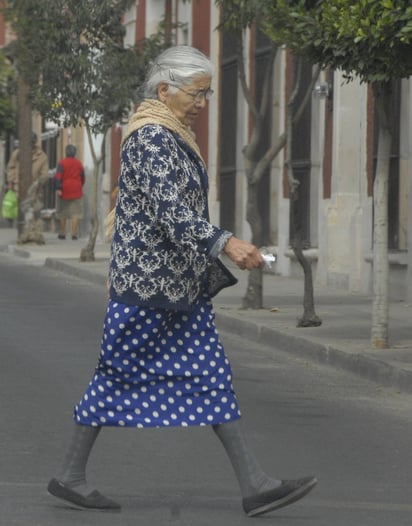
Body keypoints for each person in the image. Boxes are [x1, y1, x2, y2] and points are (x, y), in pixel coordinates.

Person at [47, 45, 317, 517]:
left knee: (211, 378)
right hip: (147, 289)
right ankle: (70, 476)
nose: (203, 102)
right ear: (165, 89)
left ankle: (255, 484)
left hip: (178, 289)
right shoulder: (151, 138)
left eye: (208, 93)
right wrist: (227, 243)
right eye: (197, 93)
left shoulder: (174, 136)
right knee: (114, 378)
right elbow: (171, 213)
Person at [7, 132, 49, 244]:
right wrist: (11, 182)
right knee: (23, 212)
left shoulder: (42, 156)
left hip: (35, 189)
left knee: (34, 212)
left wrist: (39, 182)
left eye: (32, 142)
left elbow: (45, 173)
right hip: (18, 186)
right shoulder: (17, 153)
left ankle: (33, 234)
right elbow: (11, 167)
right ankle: (24, 235)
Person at [54, 144, 85, 240]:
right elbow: (83, 177)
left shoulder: (62, 163)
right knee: (75, 213)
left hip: (64, 190)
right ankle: (74, 234)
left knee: (63, 212)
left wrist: (58, 188)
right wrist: (80, 185)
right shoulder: (79, 163)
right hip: (76, 190)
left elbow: (58, 176)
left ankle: (63, 233)